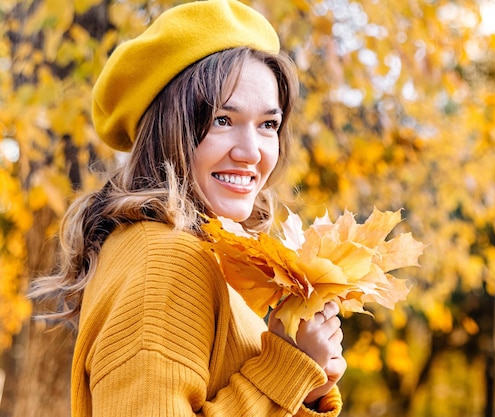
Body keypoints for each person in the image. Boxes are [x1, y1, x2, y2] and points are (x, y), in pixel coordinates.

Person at [30, 0, 346, 415]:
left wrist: (301, 387)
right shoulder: (164, 259)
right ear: (170, 130)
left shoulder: (204, 260)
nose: (252, 153)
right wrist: (285, 367)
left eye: (269, 124)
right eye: (222, 120)